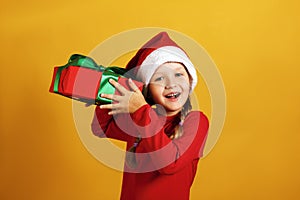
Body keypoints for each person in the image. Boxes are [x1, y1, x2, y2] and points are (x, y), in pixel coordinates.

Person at [91, 32, 209, 200]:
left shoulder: (196, 121)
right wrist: (108, 93)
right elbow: (102, 128)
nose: (171, 84)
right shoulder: (141, 118)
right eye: (160, 78)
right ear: (148, 91)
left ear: (190, 81)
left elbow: (169, 164)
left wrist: (140, 110)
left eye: (178, 74)